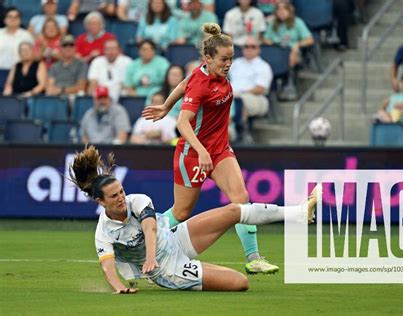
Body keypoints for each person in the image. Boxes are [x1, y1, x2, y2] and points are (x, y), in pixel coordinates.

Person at [69, 145, 316, 292]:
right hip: (167, 270)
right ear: (101, 202)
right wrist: (119, 287)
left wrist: (151, 256)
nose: (121, 198)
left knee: (234, 209)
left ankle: (299, 213)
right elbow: (107, 266)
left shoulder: (138, 200)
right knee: (240, 283)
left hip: (173, 240)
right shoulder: (104, 231)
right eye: (114, 196)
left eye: (121, 191)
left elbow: (150, 229)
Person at [142, 23, 280, 274]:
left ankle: (254, 258)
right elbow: (182, 123)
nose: (228, 64)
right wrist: (200, 149)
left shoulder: (208, 73)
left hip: (219, 151)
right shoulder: (202, 84)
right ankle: (144, 239)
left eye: (231, 59)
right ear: (208, 58)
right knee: (181, 212)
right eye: (224, 59)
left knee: (241, 200)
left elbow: (184, 82)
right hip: (193, 154)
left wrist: (165, 105)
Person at [263, 1, 314, 100]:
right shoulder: (273, 23)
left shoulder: (297, 22)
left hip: (291, 51)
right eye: (279, 9)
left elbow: (309, 40)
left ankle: (289, 84)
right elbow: (266, 39)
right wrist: (270, 42)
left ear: (290, 11)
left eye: (284, 9)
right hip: (276, 51)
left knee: (293, 53)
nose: (281, 12)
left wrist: (297, 44)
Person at [229, 36, 273, 139]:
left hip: (256, 97)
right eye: (246, 46)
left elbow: (260, 88)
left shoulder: (263, 66)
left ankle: (239, 129)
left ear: (258, 49)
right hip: (233, 95)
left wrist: (240, 93)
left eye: (253, 47)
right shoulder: (236, 63)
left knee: (238, 100)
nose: (249, 49)